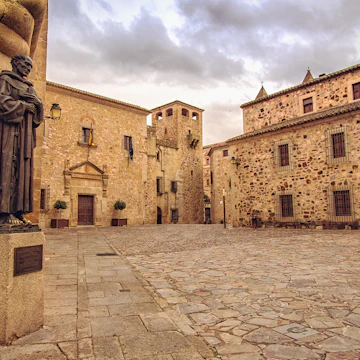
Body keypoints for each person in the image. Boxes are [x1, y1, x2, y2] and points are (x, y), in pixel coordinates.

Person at [0, 54, 43, 224]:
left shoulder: (29, 87)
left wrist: (38, 104)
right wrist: (24, 106)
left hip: (25, 134)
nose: (28, 68)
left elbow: (37, 114)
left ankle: (19, 211)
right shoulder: (5, 79)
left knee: (24, 171)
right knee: (7, 166)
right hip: (10, 130)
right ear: (15, 63)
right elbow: (2, 101)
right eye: (25, 64)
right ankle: (4, 212)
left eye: (30, 66)